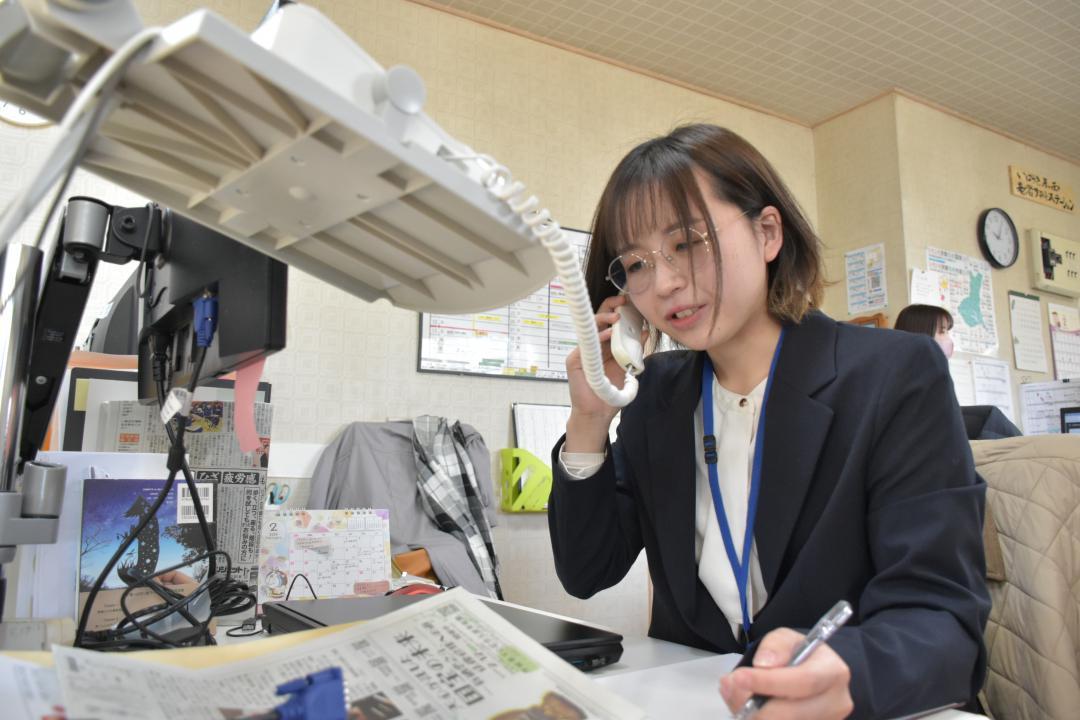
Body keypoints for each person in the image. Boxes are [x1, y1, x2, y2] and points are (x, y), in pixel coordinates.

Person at [547, 124, 989, 719]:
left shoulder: (893, 375)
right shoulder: (656, 399)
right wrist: (590, 417)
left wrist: (850, 673)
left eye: (687, 242)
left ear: (767, 232)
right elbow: (586, 570)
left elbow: (944, 617)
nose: (665, 282)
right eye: (635, 264)